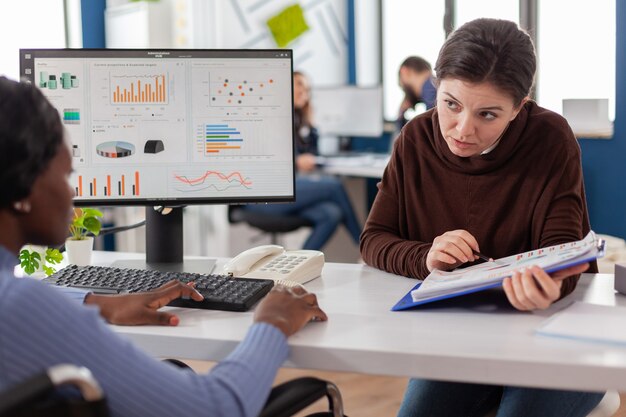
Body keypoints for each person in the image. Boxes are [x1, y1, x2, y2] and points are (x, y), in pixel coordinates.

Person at [0, 76, 328, 417]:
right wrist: (272, 324)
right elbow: (214, 409)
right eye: (66, 175)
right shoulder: (20, 306)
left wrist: (95, 302)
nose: (72, 193)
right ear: (23, 187)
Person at [360, 19, 604, 417]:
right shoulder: (415, 139)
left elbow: (562, 252)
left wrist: (550, 285)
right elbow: (374, 239)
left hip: (554, 331)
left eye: (488, 114)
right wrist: (426, 257)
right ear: (436, 88)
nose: (462, 129)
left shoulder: (551, 138)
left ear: (518, 107)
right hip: (464, 333)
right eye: (450, 104)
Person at [242, 71, 362, 251]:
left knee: (331, 213)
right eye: (299, 85)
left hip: (289, 192)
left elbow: (313, 153)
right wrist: (297, 162)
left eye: (307, 88)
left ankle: (298, 262)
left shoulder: (298, 121)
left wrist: (311, 124)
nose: (304, 92)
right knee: (334, 186)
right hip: (267, 197)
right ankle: (364, 247)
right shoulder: (270, 118)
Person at [396, 56, 437, 132]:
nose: (406, 94)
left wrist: (400, 115)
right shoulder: (433, 85)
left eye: (404, 88)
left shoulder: (429, 88)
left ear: (404, 71)